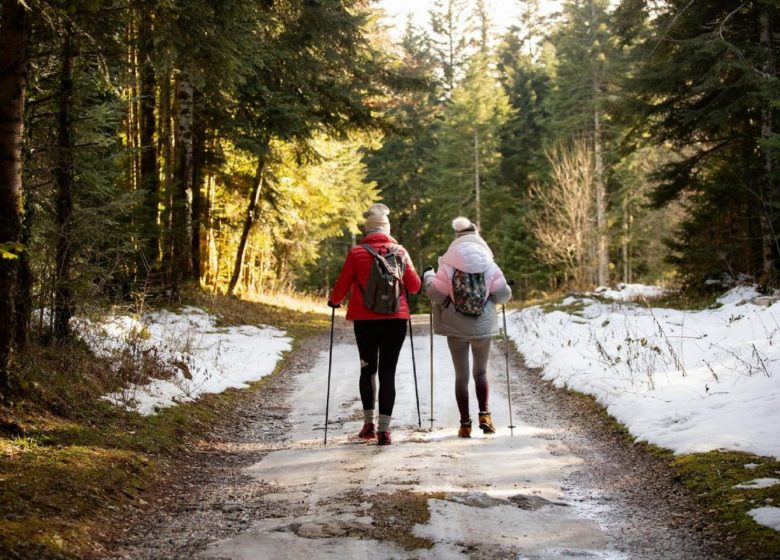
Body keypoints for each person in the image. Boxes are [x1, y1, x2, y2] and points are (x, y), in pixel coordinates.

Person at [328, 203, 421, 446]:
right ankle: (385, 430)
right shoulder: (400, 252)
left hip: (365, 321)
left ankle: (368, 425)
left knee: (368, 369)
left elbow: (341, 286)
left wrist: (333, 301)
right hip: (396, 320)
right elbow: (414, 286)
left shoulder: (357, 252)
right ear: (387, 229)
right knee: (388, 373)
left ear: (367, 230)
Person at [423, 217, 511, 438]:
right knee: (480, 372)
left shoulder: (448, 265)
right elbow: (502, 296)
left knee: (461, 376)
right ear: (478, 237)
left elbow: (436, 294)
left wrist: (428, 276)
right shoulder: (490, 265)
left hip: (456, 327)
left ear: (457, 238)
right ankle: (485, 415)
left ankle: (464, 424)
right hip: (482, 328)